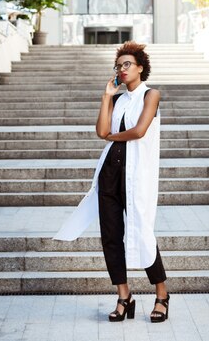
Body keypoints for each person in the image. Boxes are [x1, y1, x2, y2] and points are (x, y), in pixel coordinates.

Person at [54, 41, 170, 323]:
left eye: (127, 64)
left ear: (141, 67)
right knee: (110, 237)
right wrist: (107, 97)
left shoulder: (151, 95)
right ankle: (124, 296)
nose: (121, 69)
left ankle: (162, 295)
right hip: (109, 174)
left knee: (142, 231)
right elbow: (101, 130)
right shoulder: (117, 99)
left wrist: (110, 137)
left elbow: (139, 131)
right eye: (118, 66)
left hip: (135, 175)